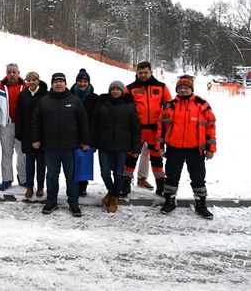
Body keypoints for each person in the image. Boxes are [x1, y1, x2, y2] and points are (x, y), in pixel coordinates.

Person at [157, 76, 217, 219]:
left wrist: (211, 148)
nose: (183, 90)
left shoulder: (202, 104)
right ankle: (170, 201)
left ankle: (201, 204)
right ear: (177, 89)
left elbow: (210, 127)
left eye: (186, 88)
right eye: (180, 88)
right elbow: (161, 128)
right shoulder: (168, 105)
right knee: (171, 176)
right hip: (174, 148)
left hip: (195, 149)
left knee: (198, 177)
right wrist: (160, 146)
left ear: (191, 89)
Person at [31, 72, 90, 217]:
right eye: (56, 81)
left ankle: (73, 202)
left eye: (61, 81)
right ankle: (51, 201)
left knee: (71, 177)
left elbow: (83, 122)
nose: (58, 84)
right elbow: (36, 122)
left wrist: (85, 141)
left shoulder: (75, 101)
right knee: (51, 176)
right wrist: (35, 139)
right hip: (50, 148)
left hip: (70, 147)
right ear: (52, 84)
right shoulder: (44, 101)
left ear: (65, 83)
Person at [123, 61, 172, 197]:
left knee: (156, 157)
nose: (143, 75)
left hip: (155, 130)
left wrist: (167, 128)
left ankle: (161, 184)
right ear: (136, 73)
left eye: (146, 72)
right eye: (140, 73)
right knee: (131, 156)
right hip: (137, 130)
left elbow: (169, 108)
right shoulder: (130, 89)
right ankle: (125, 183)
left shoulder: (161, 87)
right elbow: (124, 109)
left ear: (151, 72)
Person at [92, 81, 141, 213]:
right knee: (105, 173)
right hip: (104, 145)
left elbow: (136, 128)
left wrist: (136, 147)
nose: (115, 92)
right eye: (113, 89)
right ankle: (112, 191)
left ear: (122, 91)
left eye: (118, 89)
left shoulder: (129, 106)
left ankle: (114, 198)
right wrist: (93, 142)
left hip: (122, 146)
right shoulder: (101, 104)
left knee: (119, 174)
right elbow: (94, 124)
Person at [0, 63, 28, 190]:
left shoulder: (25, 86)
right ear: (6, 74)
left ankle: (23, 178)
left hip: (21, 126)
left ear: (19, 73)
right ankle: (7, 179)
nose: (12, 74)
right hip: (6, 125)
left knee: (22, 153)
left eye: (14, 72)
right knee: (6, 153)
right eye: (9, 72)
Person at [15, 72, 48, 198]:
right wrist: (19, 131)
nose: (32, 82)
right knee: (29, 163)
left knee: (41, 163)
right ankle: (29, 187)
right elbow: (19, 115)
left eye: (34, 80)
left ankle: (40, 187)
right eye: (29, 80)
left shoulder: (45, 94)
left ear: (38, 81)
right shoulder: (23, 95)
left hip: (42, 135)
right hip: (27, 134)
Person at [69, 68, 98, 197]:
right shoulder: (70, 96)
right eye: (80, 81)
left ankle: (82, 187)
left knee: (84, 162)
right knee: (72, 163)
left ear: (89, 83)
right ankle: (72, 186)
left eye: (85, 81)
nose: (82, 84)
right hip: (71, 134)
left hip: (88, 134)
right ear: (76, 82)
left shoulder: (94, 98)